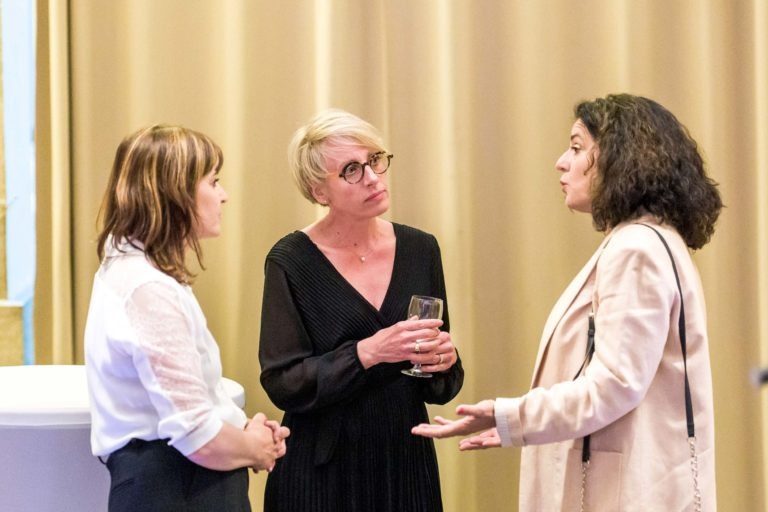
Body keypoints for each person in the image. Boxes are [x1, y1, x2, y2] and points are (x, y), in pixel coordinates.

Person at [413, 94, 722, 511]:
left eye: (577, 148)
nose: (561, 162)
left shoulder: (636, 248)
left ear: (620, 158)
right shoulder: (646, 240)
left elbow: (614, 385)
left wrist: (510, 416)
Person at [258, 109, 464, 511]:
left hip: (404, 463)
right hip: (321, 471)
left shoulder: (421, 248)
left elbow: (437, 381)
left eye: (375, 160)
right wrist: (367, 353)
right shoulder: (290, 260)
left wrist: (445, 362)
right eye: (351, 170)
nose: (372, 177)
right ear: (320, 192)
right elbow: (283, 381)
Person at [84, 125, 290, 512]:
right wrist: (255, 447)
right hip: (176, 487)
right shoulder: (147, 288)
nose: (224, 195)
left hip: (177, 481)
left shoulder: (135, 271)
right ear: (174, 194)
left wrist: (242, 427)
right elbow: (197, 436)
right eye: (213, 182)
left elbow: (191, 404)